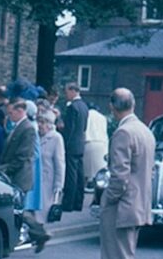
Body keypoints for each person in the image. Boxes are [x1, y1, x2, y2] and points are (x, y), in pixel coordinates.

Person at [97, 87, 156, 259]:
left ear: (113, 107)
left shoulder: (123, 133)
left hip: (122, 207)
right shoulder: (144, 130)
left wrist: (106, 200)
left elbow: (119, 177)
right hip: (138, 204)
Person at [0, 99, 50, 253]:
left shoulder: (27, 128)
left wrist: (3, 170)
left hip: (20, 176)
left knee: (19, 211)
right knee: (19, 210)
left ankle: (39, 234)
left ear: (21, 111)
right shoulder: (20, 126)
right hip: (17, 175)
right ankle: (37, 235)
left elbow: (22, 157)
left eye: (12, 112)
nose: (9, 115)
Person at [60, 81, 89, 212]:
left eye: (67, 92)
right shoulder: (84, 106)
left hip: (71, 144)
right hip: (80, 143)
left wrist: (65, 144)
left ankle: (68, 203)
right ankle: (78, 202)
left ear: (72, 91)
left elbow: (69, 129)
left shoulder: (72, 107)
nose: (66, 95)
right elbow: (84, 127)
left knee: (71, 176)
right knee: (79, 174)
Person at [36, 108, 66, 224]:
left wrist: (58, 186)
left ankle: (41, 236)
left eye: (43, 122)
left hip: (47, 182)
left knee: (42, 215)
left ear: (49, 124)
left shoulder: (56, 138)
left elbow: (60, 164)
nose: (40, 125)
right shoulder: (36, 136)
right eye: (39, 121)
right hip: (35, 180)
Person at [84, 102, 109, 185]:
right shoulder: (102, 117)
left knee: (86, 171)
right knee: (99, 172)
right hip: (101, 144)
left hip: (88, 142)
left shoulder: (86, 115)